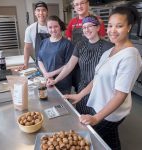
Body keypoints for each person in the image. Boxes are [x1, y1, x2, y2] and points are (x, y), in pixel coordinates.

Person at [63, 5, 142, 150]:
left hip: (111, 113)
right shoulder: (111, 50)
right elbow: (97, 78)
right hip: (100, 106)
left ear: (129, 27)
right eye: (110, 25)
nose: (112, 30)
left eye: (119, 26)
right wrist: (79, 95)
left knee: (95, 139)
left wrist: (96, 118)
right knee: (109, 140)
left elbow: (120, 95)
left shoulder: (130, 56)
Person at [47, 15, 113, 114]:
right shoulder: (80, 45)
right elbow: (69, 66)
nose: (87, 29)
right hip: (82, 87)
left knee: (98, 119)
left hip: (100, 90)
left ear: (98, 27)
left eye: (90, 26)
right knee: (82, 116)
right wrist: (55, 80)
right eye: (84, 27)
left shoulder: (108, 47)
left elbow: (104, 76)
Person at [65, 0, 106, 92]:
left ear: (87, 4)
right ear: (74, 7)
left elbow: (102, 40)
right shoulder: (72, 22)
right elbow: (69, 40)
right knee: (78, 86)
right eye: (76, 4)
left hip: (93, 59)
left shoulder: (97, 21)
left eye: (82, 3)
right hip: (77, 60)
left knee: (94, 87)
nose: (79, 6)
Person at [38, 16, 74, 94]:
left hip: (62, 83)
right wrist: (46, 74)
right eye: (50, 27)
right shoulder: (43, 42)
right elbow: (39, 60)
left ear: (60, 27)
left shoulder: (67, 44)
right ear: (47, 29)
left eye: (55, 26)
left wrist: (51, 74)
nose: (53, 30)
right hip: (47, 81)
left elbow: (68, 65)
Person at [21, 1, 49, 70]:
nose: (41, 13)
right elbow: (27, 48)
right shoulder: (30, 29)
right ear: (35, 13)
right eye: (38, 10)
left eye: (43, 10)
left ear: (47, 12)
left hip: (55, 62)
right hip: (40, 64)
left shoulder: (53, 26)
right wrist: (25, 64)